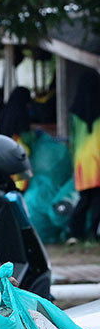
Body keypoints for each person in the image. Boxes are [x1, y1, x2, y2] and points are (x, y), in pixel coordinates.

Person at [69, 68, 100, 243]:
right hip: (98, 160)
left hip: (82, 161)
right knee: (97, 199)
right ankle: (94, 233)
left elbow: (73, 140)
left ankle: (75, 232)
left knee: (84, 199)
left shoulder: (75, 112)